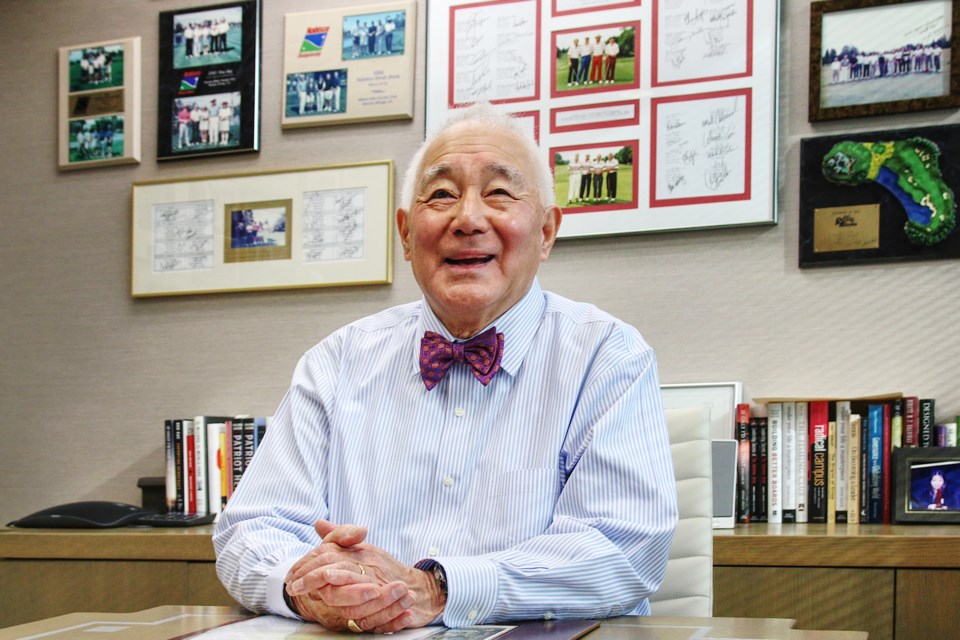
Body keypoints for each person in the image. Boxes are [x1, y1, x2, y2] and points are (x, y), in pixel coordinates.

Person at [213, 103, 678, 633]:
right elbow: (252, 526)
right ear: (407, 235)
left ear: (546, 232)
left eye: (500, 193)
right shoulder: (335, 362)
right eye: (441, 195)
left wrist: (438, 588)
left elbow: (621, 549)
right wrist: (310, 587)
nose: (468, 219)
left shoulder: (607, 357)